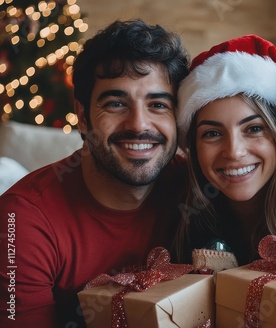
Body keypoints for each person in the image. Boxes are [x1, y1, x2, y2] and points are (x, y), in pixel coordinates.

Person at [0, 19, 190, 327]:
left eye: (157, 104)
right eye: (116, 103)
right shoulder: (20, 220)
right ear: (83, 117)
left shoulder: (197, 188)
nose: (139, 125)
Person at [173, 35, 276, 267]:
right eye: (212, 133)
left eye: (253, 128)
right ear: (192, 146)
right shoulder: (179, 222)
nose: (234, 151)